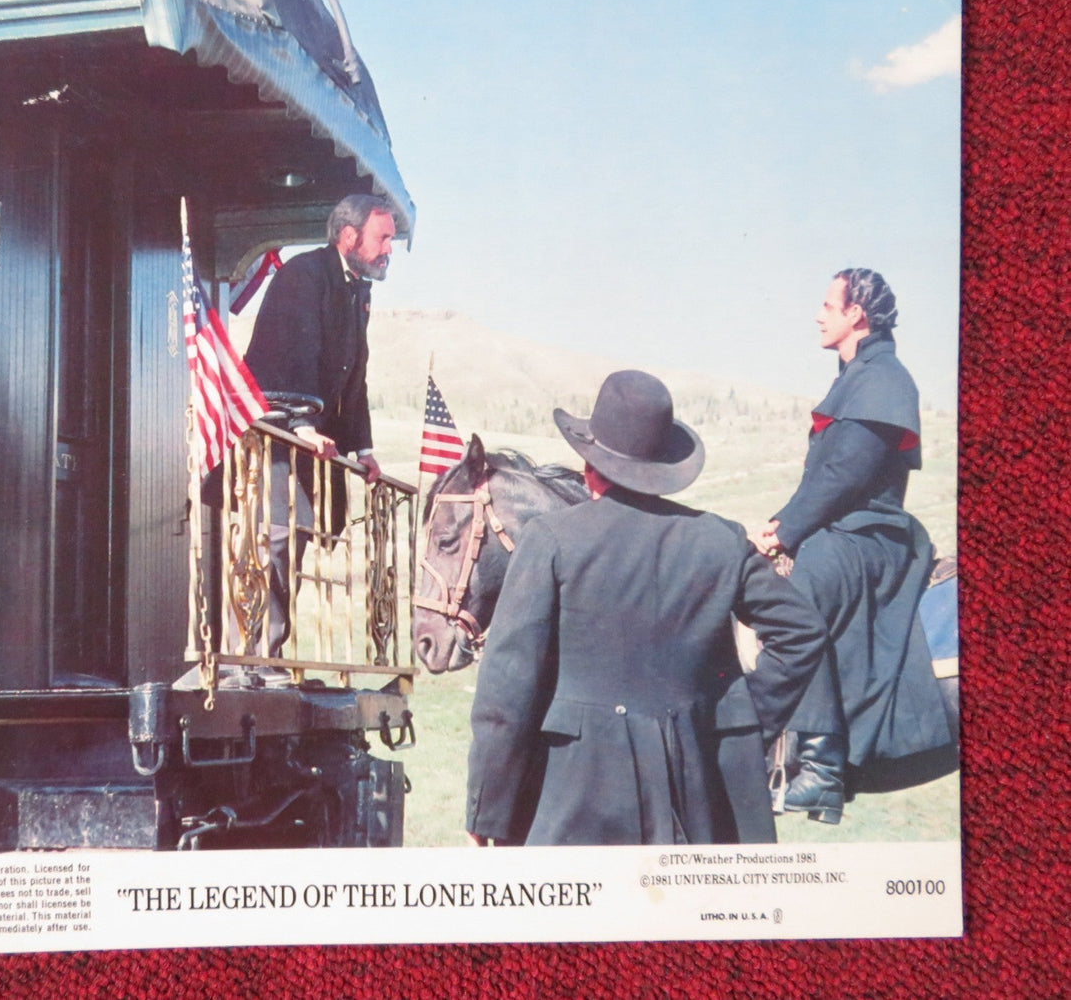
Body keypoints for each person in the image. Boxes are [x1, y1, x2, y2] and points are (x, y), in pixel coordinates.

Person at [465, 371, 827, 846]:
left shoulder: (551, 540)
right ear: (663, 470)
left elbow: (505, 693)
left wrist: (486, 813)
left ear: (590, 468)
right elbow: (802, 632)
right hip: (702, 791)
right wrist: (738, 721)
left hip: (574, 797)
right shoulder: (722, 541)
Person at [752, 268, 953, 823]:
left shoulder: (884, 377)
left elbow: (847, 471)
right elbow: (825, 480)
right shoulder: (858, 375)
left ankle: (819, 765)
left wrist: (786, 531)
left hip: (873, 534)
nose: (817, 314)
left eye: (826, 304)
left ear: (855, 314)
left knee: (803, 587)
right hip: (846, 527)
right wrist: (779, 524)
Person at [241, 194, 394, 658]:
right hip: (277, 435)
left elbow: (354, 374)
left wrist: (363, 448)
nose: (389, 248)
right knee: (277, 536)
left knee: (297, 538)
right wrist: (303, 423)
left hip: (310, 444)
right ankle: (253, 656)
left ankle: (269, 652)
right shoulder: (305, 276)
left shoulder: (354, 290)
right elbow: (294, 353)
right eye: (382, 237)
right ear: (349, 236)